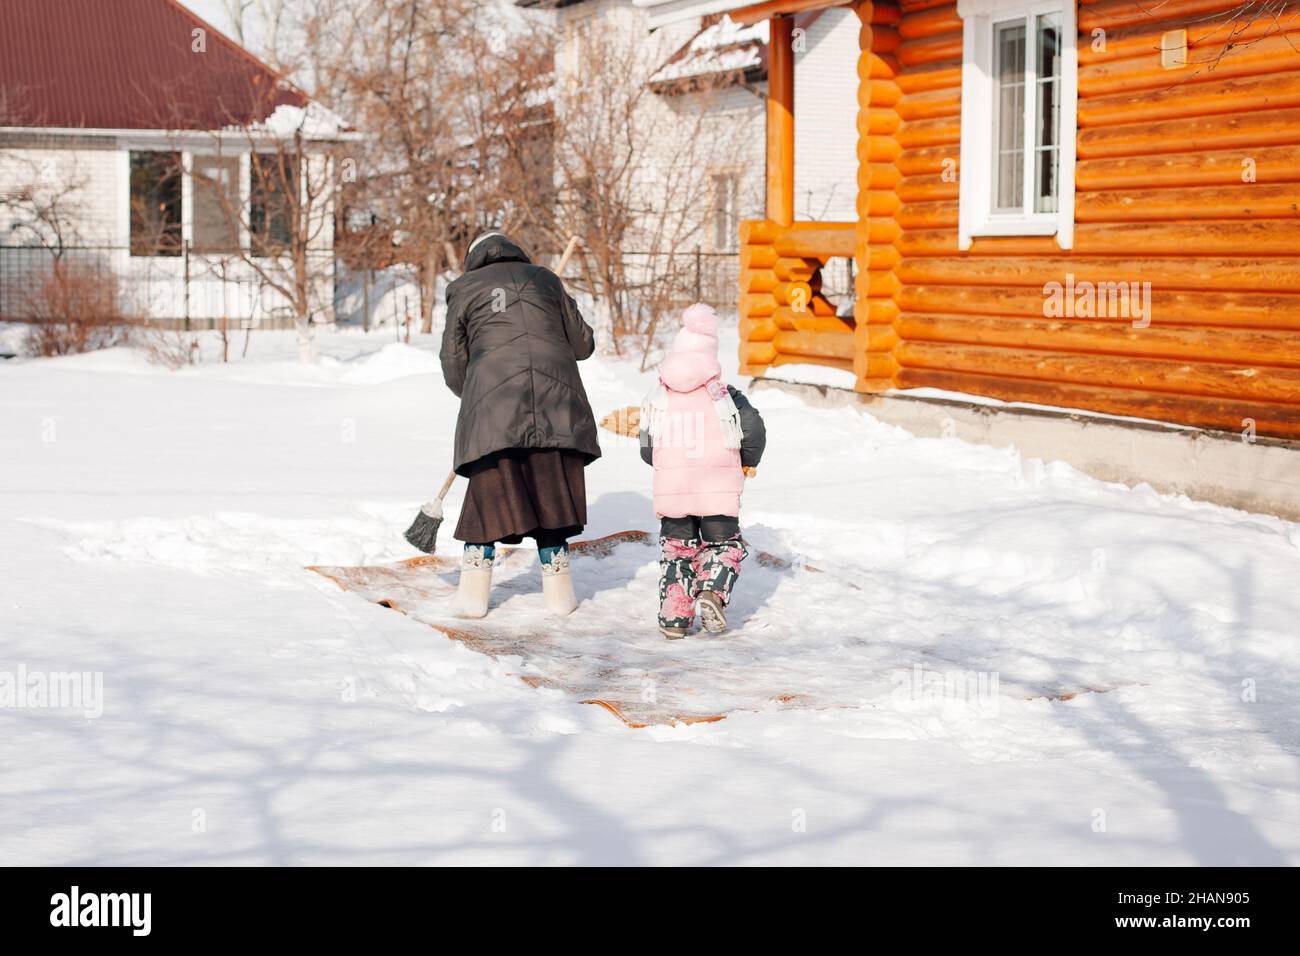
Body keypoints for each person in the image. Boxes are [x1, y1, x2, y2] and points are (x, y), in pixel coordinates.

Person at [440, 232, 601, 618]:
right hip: (558, 406)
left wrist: (480, 396)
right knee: (552, 496)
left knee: (488, 495)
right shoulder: (545, 279)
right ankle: (560, 597)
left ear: (473, 259)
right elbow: (583, 346)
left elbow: (452, 361)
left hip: (495, 408)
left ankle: (473, 597)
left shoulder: (463, 288)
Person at [638, 303, 766, 639]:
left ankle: (674, 620)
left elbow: (646, 445)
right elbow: (753, 429)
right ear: (711, 357)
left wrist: (666, 464)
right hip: (718, 491)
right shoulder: (725, 395)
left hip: (674, 489)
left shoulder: (659, 396)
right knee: (723, 545)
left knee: (677, 550)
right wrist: (747, 460)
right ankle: (711, 591)